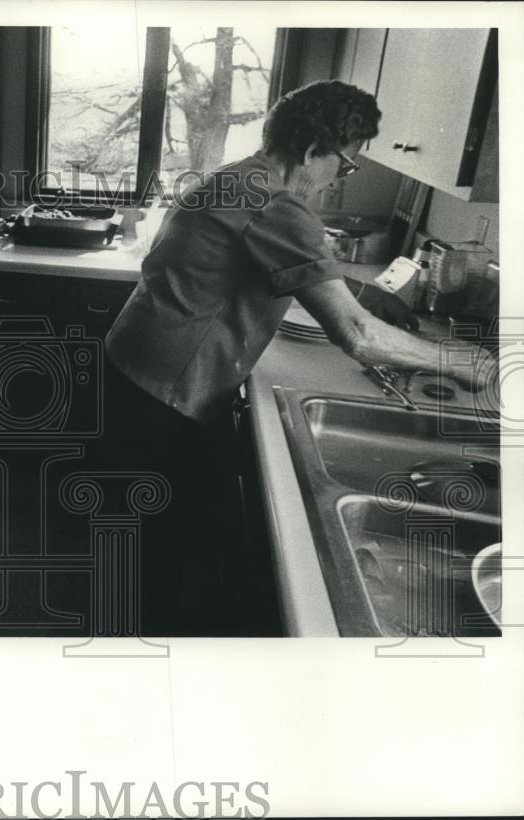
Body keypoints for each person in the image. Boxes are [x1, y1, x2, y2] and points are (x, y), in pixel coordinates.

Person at [102, 80, 496, 634]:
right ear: (313, 151)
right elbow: (358, 337)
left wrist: (364, 291)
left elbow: (288, 272)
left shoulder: (243, 176)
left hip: (135, 372)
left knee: (158, 533)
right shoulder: (277, 206)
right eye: (346, 165)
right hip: (166, 394)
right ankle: (147, 661)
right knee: (157, 549)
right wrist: (468, 364)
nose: (339, 181)